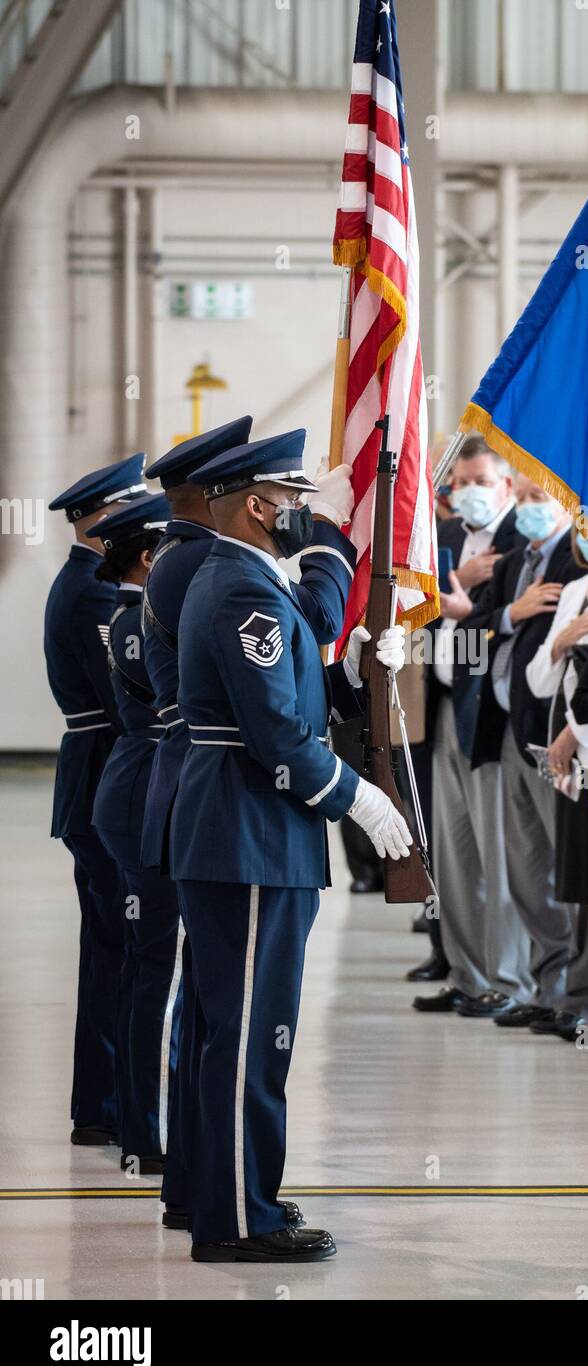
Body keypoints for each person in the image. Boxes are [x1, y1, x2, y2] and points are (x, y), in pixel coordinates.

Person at [172, 430, 411, 1261]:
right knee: (246, 1034)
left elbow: (293, 698)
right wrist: (360, 799)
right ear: (256, 505)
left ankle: (222, 1195)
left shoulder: (247, 582)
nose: (303, 517)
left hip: (250, 831)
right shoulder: (243, 590)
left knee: (232, 1029)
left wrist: (355, 673)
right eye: (294, 503)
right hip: (247, 833)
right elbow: (276, 733)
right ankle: (241, 1219)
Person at [139, 415, 254, 1230]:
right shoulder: (194, 566)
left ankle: (196, 1179)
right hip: (215, 792)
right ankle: (218, 1193)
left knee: (206, 1003)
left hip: (192, 785)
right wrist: (325, 559)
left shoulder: (178, 560)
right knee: (224, 1012)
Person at [460, 478, 588, 1029]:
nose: (528, 508)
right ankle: (546, 987)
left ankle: (582, 995)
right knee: (527, 869)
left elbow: (575, 655)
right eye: (522, 497)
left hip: (560, 736)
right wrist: (510, 615)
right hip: (508, 731)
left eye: (538, 497)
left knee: (569, 873)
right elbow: (470, 633)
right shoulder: (514, 558)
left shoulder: (577, 566)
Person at [44, 453, 149, 1146]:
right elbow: (120, 697)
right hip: (105, 770)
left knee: (108, 944)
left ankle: (102, 1098)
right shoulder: (92, 593)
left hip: (98, 768)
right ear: (106, 521)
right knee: (117, 945)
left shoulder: (84, 582)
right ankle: (107, 1103)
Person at [412, 435, 529, 1011]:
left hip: (491, 716)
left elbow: (515, 625)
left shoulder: (523, 539)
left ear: (506, 486)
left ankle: (508, 981)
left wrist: (473, 602)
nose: (470, 493)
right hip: (442, 706)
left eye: (483, 483)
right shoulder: (446, 540)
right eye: (460, 483)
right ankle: (465, 975)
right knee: (451, 855)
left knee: (498, 854)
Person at [87, 493, 180, 1174]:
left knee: (153, 969)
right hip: (140, 798)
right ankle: (143, 1135)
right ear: (148, 559)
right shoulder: (131, 620)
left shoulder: (136, 613)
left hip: (145, 790)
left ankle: (143, 1123)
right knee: (151, 970)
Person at [527, 520, 588, 1041]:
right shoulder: (578, 589)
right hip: (570, 764)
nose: (586, 533)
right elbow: (539, 678)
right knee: (583, 887)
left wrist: (574, 735)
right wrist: (562, 640)